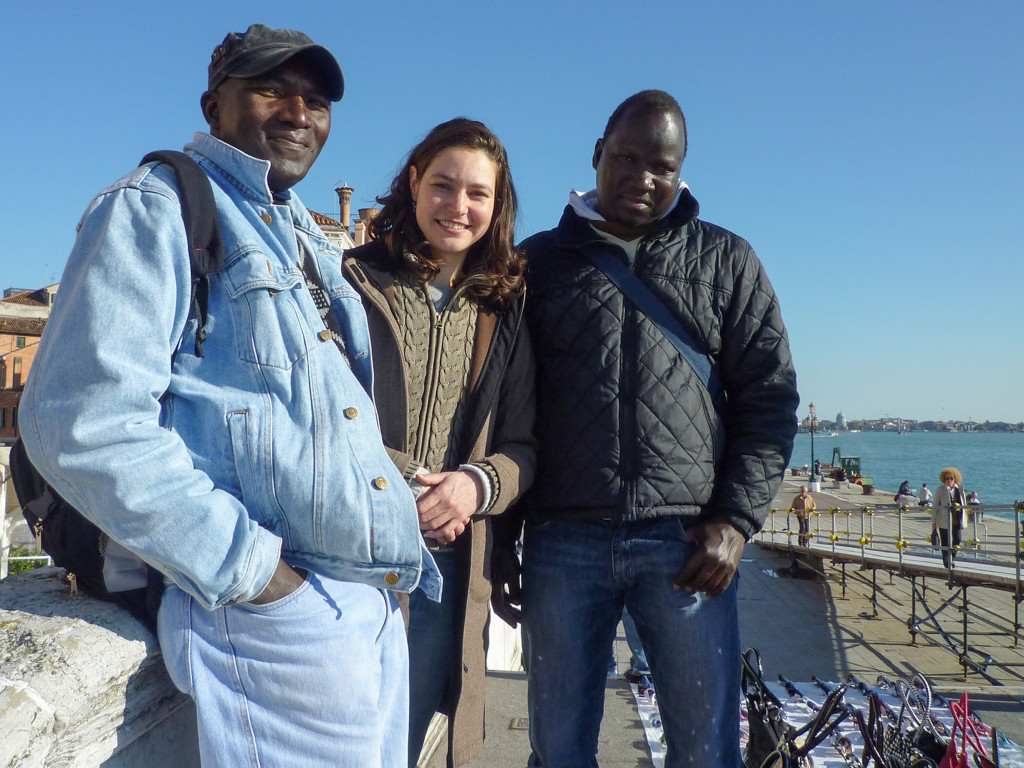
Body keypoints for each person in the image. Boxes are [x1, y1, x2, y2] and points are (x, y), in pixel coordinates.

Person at [19, 24, 440, 768]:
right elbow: (81, 420)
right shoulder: (154, 207)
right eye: (272, 89)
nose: (298, 111)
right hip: (272, 619)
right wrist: (261, 580)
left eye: (316, 99)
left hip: (357, 611)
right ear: (214, 106)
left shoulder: (304, 239)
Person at [492, 90, 799, 768]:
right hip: (562, 542)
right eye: (626, 159)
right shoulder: (536, 265)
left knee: (704, 750)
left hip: (685, 544)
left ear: (681, 170)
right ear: (598, 155)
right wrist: (503, 542)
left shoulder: (727, 261)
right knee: (560, 749)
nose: (642, 178)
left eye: (660, 165)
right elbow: (507, 412)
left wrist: (737, 521)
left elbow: (770, 402)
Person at [343, 118, 536, 768]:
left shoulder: (504, 309)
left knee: (399, 742)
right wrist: (405, 483)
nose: (458, 206)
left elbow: (523, 448)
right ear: (414, 182)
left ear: (496, 203)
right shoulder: (351, 281)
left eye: (477, 193)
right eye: (444, 186)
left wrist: (471, 485)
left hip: (445, 568)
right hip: (347, 553)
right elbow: (315, 415)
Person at [932, 467, 967, 568]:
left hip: (957, 520)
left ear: (955, 478)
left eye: (951, 478)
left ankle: (952, 557)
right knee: (945, 541)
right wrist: (933, 522)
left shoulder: (960, 488)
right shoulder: (941, 489)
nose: (949, 480)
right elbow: (935, 506)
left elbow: (963, 503)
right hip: (944, 520)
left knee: (958, 539)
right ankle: (947, 562)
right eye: (947, 478)